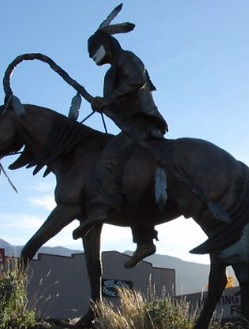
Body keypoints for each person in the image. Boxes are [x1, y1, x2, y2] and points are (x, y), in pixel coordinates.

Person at [73, 8, 168, 267]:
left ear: (106, 44)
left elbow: (136, 81)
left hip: (143, 124)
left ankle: (100, 209)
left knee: (108, 159)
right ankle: (144, 240)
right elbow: (115, 104)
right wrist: (101, 105)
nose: (92, 56)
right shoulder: (110, 73)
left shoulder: (127, 58)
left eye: (94, 50)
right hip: (130, 126)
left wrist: (109, 100)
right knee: (131, 183)